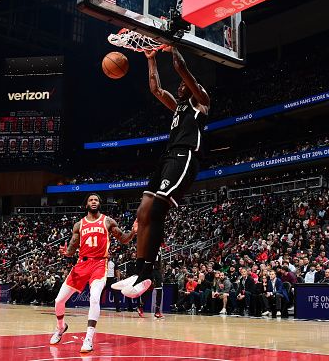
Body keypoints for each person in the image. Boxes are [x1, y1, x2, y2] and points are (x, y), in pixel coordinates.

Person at [113, 46, 210, 298]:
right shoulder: (178, 107)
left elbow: (181, 67)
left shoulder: (200, 101)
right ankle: (137, 271)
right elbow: (156, 89)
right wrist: (151, 58)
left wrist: (172, 44)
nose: (179, 87)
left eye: (182, 85)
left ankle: (148, 274)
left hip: (185, 155)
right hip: (167, 157)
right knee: (143, 210)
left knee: (157, 210)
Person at [49, 193, 137, 353]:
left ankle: (88, 339)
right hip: (81, 264)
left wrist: (133, 232)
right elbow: (71, 249)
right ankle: (61, 327)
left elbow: (123, 239)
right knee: (59, 301)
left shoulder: (107, 221)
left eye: (96, 200)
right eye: (91, 200)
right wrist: (66, 252)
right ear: (86, 205)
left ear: (100, 203)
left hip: (99, 263)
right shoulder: (79, 225)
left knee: (95, 298)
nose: (94, 201)